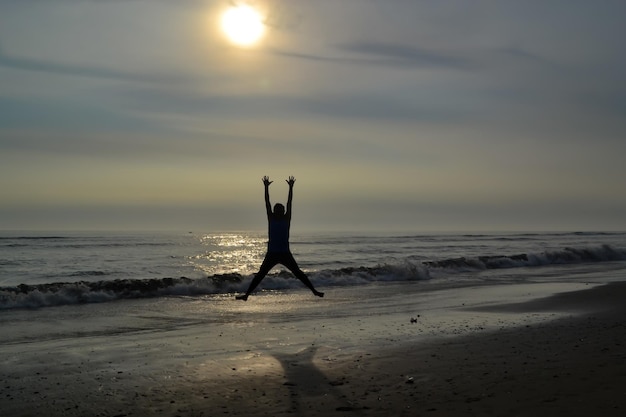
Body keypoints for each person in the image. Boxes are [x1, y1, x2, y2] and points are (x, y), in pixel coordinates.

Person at [236, 176, 324, 301]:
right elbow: (267, 202)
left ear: (283, 211)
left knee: (298, 273)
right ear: (274, 211)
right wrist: (266, 188)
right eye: (277, 209)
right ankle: (246, 295)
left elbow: (290, 203)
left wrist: (291, 188)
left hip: (284, 253)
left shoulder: (286, 219)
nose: (279, 211)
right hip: (272, 253)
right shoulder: (271, 218)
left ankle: (314, 291)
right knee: (260, 275)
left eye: (281, 210)